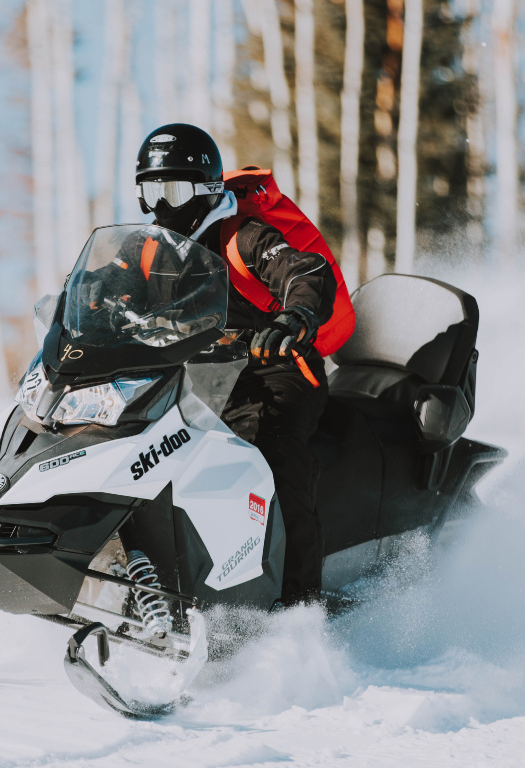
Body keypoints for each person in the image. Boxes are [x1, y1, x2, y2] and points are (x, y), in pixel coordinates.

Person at [135, 123, 336, 605]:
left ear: (204, 190)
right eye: (150, 190)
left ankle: (296, 602)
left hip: (276, 372)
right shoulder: (148, 250)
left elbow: (303, 270)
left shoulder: (242, 235)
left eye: (174, 190)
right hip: (198, 381)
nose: (162, 205)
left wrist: (295, 315)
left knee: (269, 454)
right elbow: (107, 288)